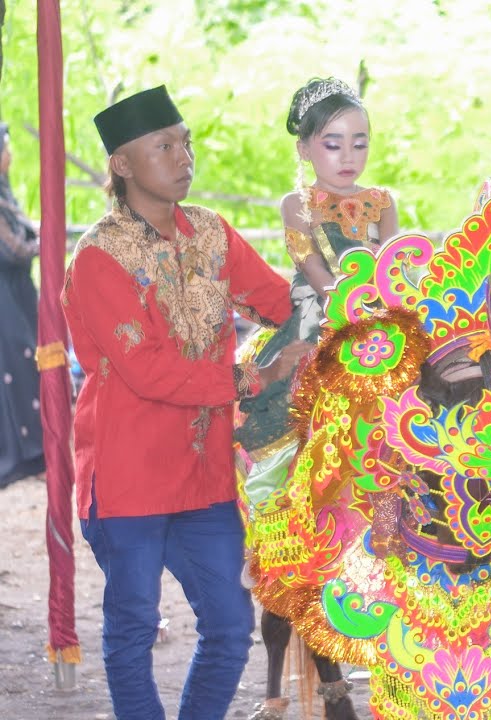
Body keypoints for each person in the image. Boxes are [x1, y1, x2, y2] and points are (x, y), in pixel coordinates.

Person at [62, 85, 308, 720]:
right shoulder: (97, 258)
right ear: (122, 164)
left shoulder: (210, 231)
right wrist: (253, 378)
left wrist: (340, 309)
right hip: (127, 475)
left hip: (203, 476)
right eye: (164, 145)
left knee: (230, 627)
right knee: (133, 630)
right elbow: (147, 371)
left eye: (186, 142)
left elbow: (276, 301)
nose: (183, 156)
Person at [235, 76, 395, 720]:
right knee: (297, 481)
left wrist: (384, 307)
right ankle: (307, 681)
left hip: (376, 330)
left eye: (358, 141)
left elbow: (390, 265)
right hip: (316, 330)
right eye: (332, 143)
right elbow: (320, 276)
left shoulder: (383, 200)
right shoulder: (296, 204)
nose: (347, 156)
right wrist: (354, 303)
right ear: (306, 149)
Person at [0, 122, 45, 488]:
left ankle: (32, 449)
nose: (9, 156)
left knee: (25, 359)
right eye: (4, 150)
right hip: (4, 294)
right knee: (14, 359)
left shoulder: (6, 194)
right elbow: (13, 249)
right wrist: (38, 245)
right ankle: (17, 453)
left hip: (16, 292)